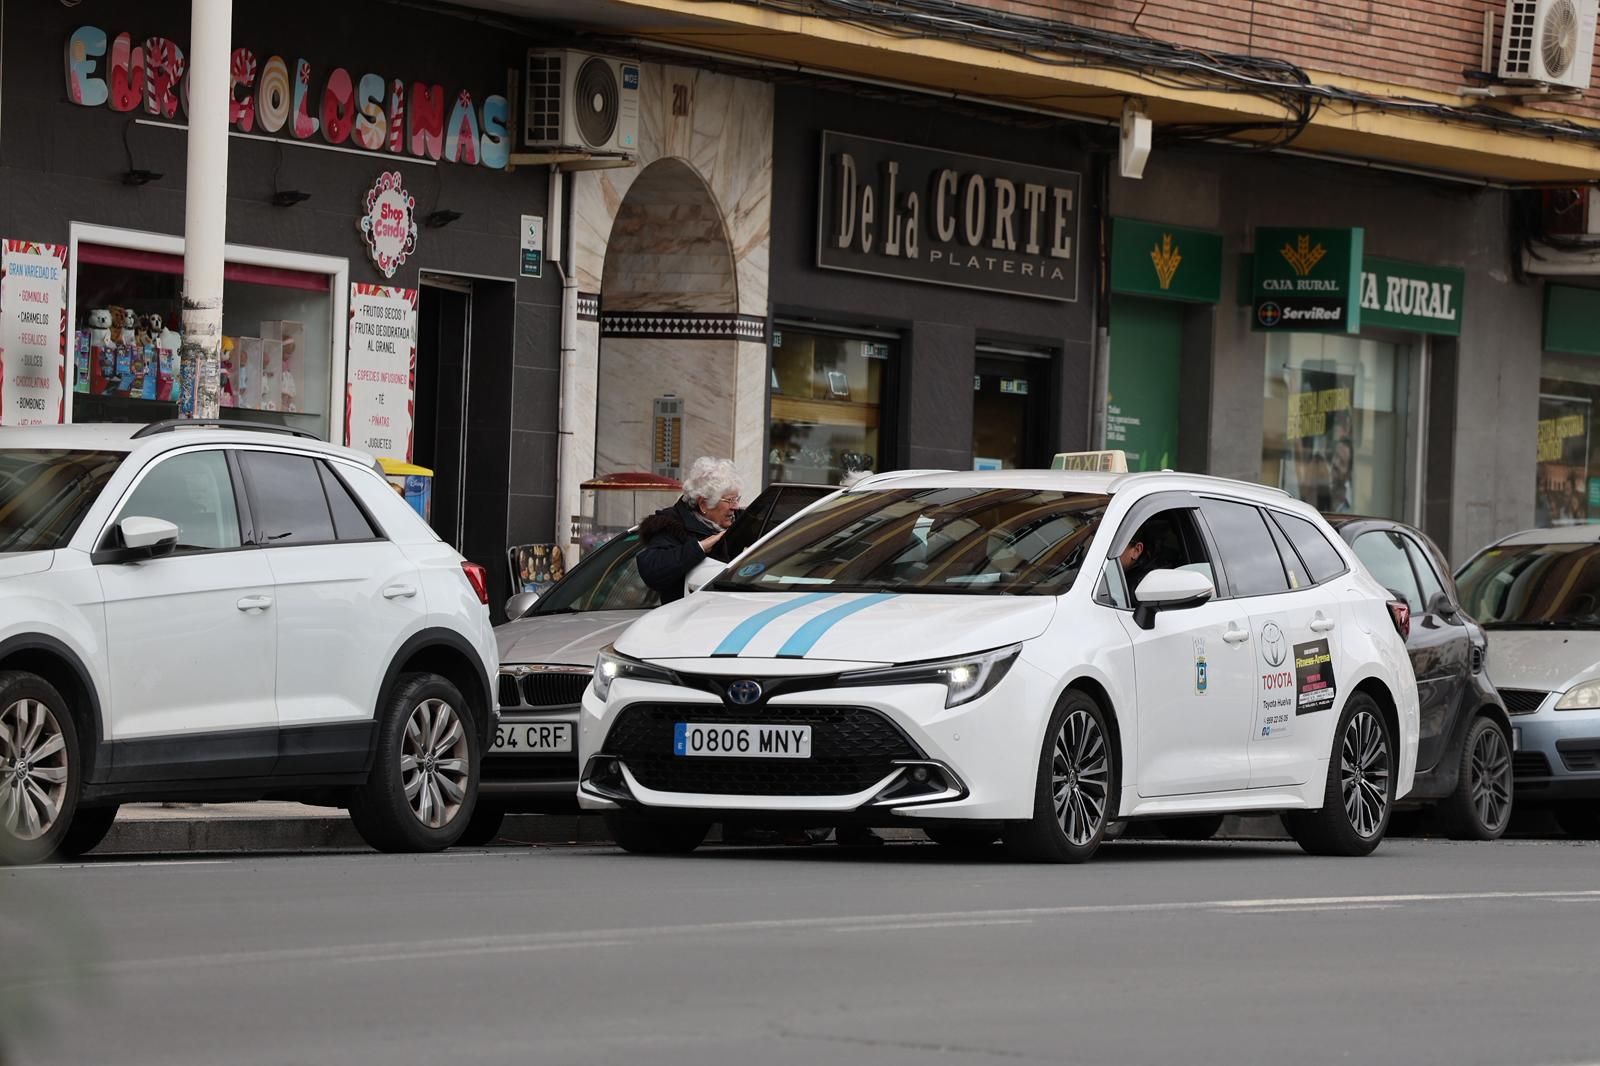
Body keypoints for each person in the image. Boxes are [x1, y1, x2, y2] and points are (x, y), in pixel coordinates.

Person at [636, 457, 742, 604]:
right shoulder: (671, 525)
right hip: (686, 617)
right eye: (730, 500)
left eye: (737, 499)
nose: (735, 507)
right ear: (704, 504)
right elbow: (652, 570)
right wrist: (699, 547)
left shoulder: (745, 522)